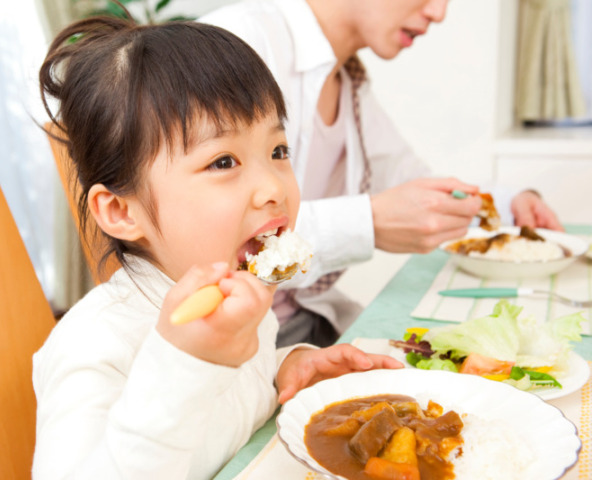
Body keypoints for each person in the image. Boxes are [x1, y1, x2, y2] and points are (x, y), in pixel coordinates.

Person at [33, 15, 403, 480]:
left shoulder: (236, 291)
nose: (273, 186)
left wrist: (285, 367)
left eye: (278, 151)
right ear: (122, 212)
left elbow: (228, 407)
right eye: (223, 161)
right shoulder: (95, 343)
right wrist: (184, 361)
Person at [200, 0, 564, 347]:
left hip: (307, 322)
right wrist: (368, 221)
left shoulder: (348, 82)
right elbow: (206, 236)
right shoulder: (233, 43)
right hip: (238, 341)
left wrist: (508, 201)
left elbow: (408, 177)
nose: (438, 12)